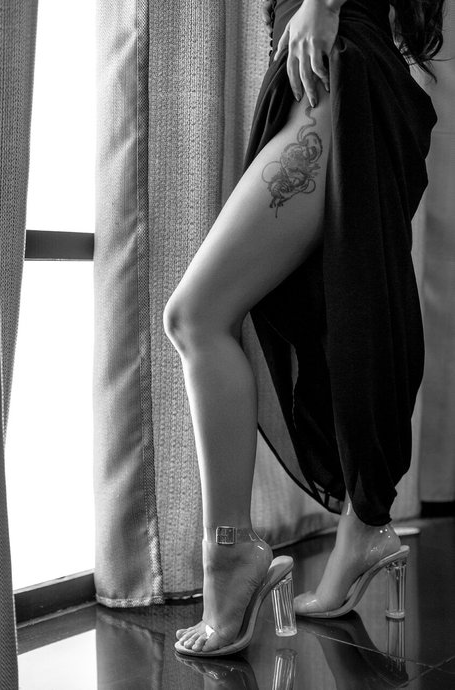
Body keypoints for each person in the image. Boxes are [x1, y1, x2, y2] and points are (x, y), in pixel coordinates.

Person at [163, 0, 445, 657]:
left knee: (197, 314)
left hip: (332, 69)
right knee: (334, 312)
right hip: (326, 72)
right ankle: (360, 532)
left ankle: (231, 555)